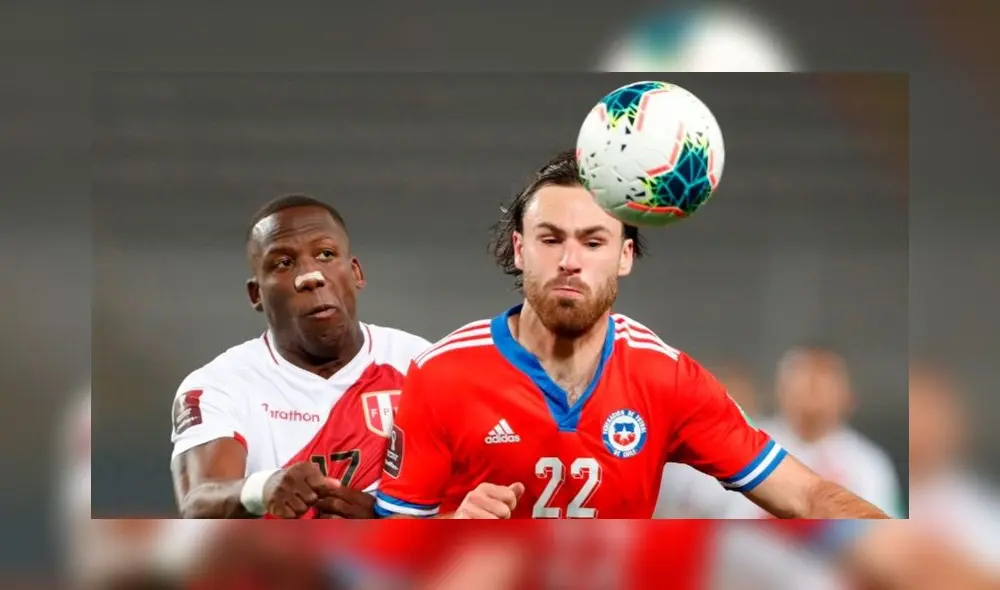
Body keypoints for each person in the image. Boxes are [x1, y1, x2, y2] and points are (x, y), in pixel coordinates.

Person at [373, 149, 888, 520]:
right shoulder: (442, 373)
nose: (570, 261)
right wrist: (451, 530)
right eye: (550, 239)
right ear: (520, 249)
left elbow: (807, 496)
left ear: (625, 255)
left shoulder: (668, 379)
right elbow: (387, 553)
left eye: (593, 241)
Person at [170, 194, 430, 519]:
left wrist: (390, 520)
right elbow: (198, 500)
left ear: (356, 273)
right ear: (257, 295)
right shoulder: (218, 385)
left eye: (325, 254)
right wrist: (262, 489)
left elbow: (472, 492)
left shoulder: (422, 364)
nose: (311, 276)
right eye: (284, 263)